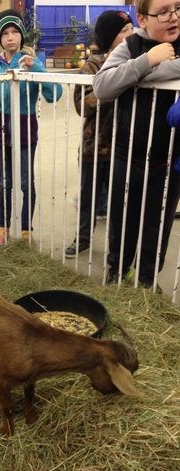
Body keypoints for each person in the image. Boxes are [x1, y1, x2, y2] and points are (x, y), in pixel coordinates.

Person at [93, 0, 180, 291]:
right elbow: (102, 86)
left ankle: (146, 280)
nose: (173, 17)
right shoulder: (130, 47)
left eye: (177, 8)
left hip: (169, 159)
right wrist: (149, 60)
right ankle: (116, 273)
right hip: (127, 155)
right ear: (143, 18)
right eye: (163, 12)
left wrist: (135, 78)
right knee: (121, 221)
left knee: (159, 224)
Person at [0, 9, 63, 245]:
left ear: (22, 35)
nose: (10, 37)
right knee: (5, 182)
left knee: (26, 182)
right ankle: (2, 227)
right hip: (1, 131)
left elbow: (55, 94)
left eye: (15, 31)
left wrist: (36, 70)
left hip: (26, 128)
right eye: (5, 33)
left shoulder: (32, 62)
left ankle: (27, 229)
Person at [65, 10, 134, 258]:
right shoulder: (93, 64)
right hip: (94, 145)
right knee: (88, 197)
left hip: (123, 145)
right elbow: (80, 104)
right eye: (123, 31)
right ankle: (83, 238)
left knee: (118, 202)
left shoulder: (135, 61)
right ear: (110, 37)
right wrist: (111, 89)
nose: (130, 35)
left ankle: (116, 250)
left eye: (131, 29)